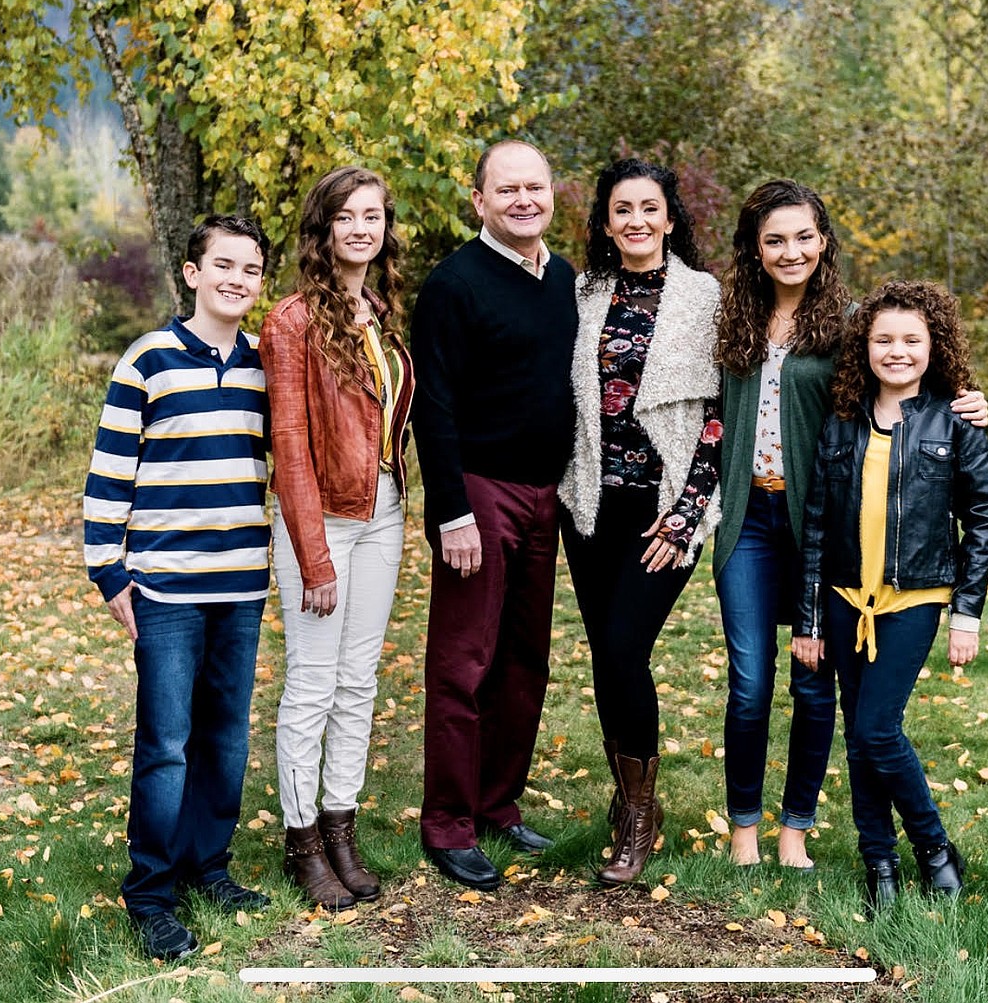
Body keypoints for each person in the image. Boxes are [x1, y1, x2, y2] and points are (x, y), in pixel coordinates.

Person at [713, 180, 988, 870]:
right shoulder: (735, 317)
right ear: (754, 247)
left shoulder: (847, 319)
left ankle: (795, 828)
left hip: (822, 520)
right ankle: (744, 823)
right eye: (774, 238)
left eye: (804, 235)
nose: (791, 250)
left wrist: (970, 402)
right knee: (750, 677)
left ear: (825, 240)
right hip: (749, 513)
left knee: (815, 682)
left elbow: (907, 367)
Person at [83, 215, 272, 961]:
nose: (237, 278)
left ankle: (207, 865)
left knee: (225, 735)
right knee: (166, 741)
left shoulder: (265, 364)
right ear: (192, 273)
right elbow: (108, 474)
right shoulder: (148, 360)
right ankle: (151, 890)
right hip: (166, 586)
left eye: (251, 268)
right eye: (223, 264)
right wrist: (109, 569)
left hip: (241, 583)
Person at [796, 280, 988, 910]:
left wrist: (966, 612)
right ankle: (877, 862)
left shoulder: (955, 421)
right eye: (884, 339)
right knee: (859, 736)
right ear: (865, 347)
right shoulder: (843, 421)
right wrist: (808, 617)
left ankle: (934, 847)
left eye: (912, 340)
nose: (898, 351)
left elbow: (984, 518)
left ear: (934, 346)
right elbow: (817, 523)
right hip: (844, 597)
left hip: (914, 599)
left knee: (878, 729)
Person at [411, 139, 578, 891]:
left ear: (551, 195)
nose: (522, 200)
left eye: (534, 188)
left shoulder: (566, 280)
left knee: (523, 662)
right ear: (478, 200)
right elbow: (433, 406)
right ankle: (446, 820)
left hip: (548, 493)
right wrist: (451, 513)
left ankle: (496, 802)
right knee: (463, 662)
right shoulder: (453, 284)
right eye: (505, 189)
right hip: (478, 491)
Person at [558, 157, 722, 884]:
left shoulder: (703, 297)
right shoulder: (583, 292)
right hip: (592, 504)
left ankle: (639, 817)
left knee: (625, 647)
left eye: (649, 208)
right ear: (604, 221)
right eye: (622, 209)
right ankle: (630, 803)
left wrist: (686, 518)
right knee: (605, 654)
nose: (636, 221)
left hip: (664, 510)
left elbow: (721, 418)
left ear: (669, 216)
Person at [259, 167, 414, 910]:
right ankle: (302, 842)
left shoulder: (378, 311)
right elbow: (289, 444)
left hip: (383, 510)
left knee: (359, 682)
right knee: (313, 684)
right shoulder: (291, 321)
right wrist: (313, 554)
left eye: (373, 216)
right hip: (319, 521)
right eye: (346, 217)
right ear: (323, 231)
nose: (362, 228)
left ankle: (341, 826)